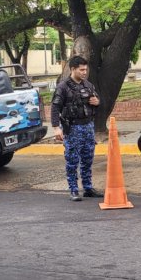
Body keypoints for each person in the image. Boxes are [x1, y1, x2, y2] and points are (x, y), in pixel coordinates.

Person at [51, 55, 102, 201]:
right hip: (72, 128)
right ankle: (73, 190)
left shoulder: (88, 85)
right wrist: (56, 128)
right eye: (81, 70)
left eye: (86, 69)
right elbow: (55, 108)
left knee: (88, 159)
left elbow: (97, 101)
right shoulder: (63, 87)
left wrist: (97, 102)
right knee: (72, 160)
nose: (85, 72)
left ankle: (88, 188)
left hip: (88, 127)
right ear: (72, 69)